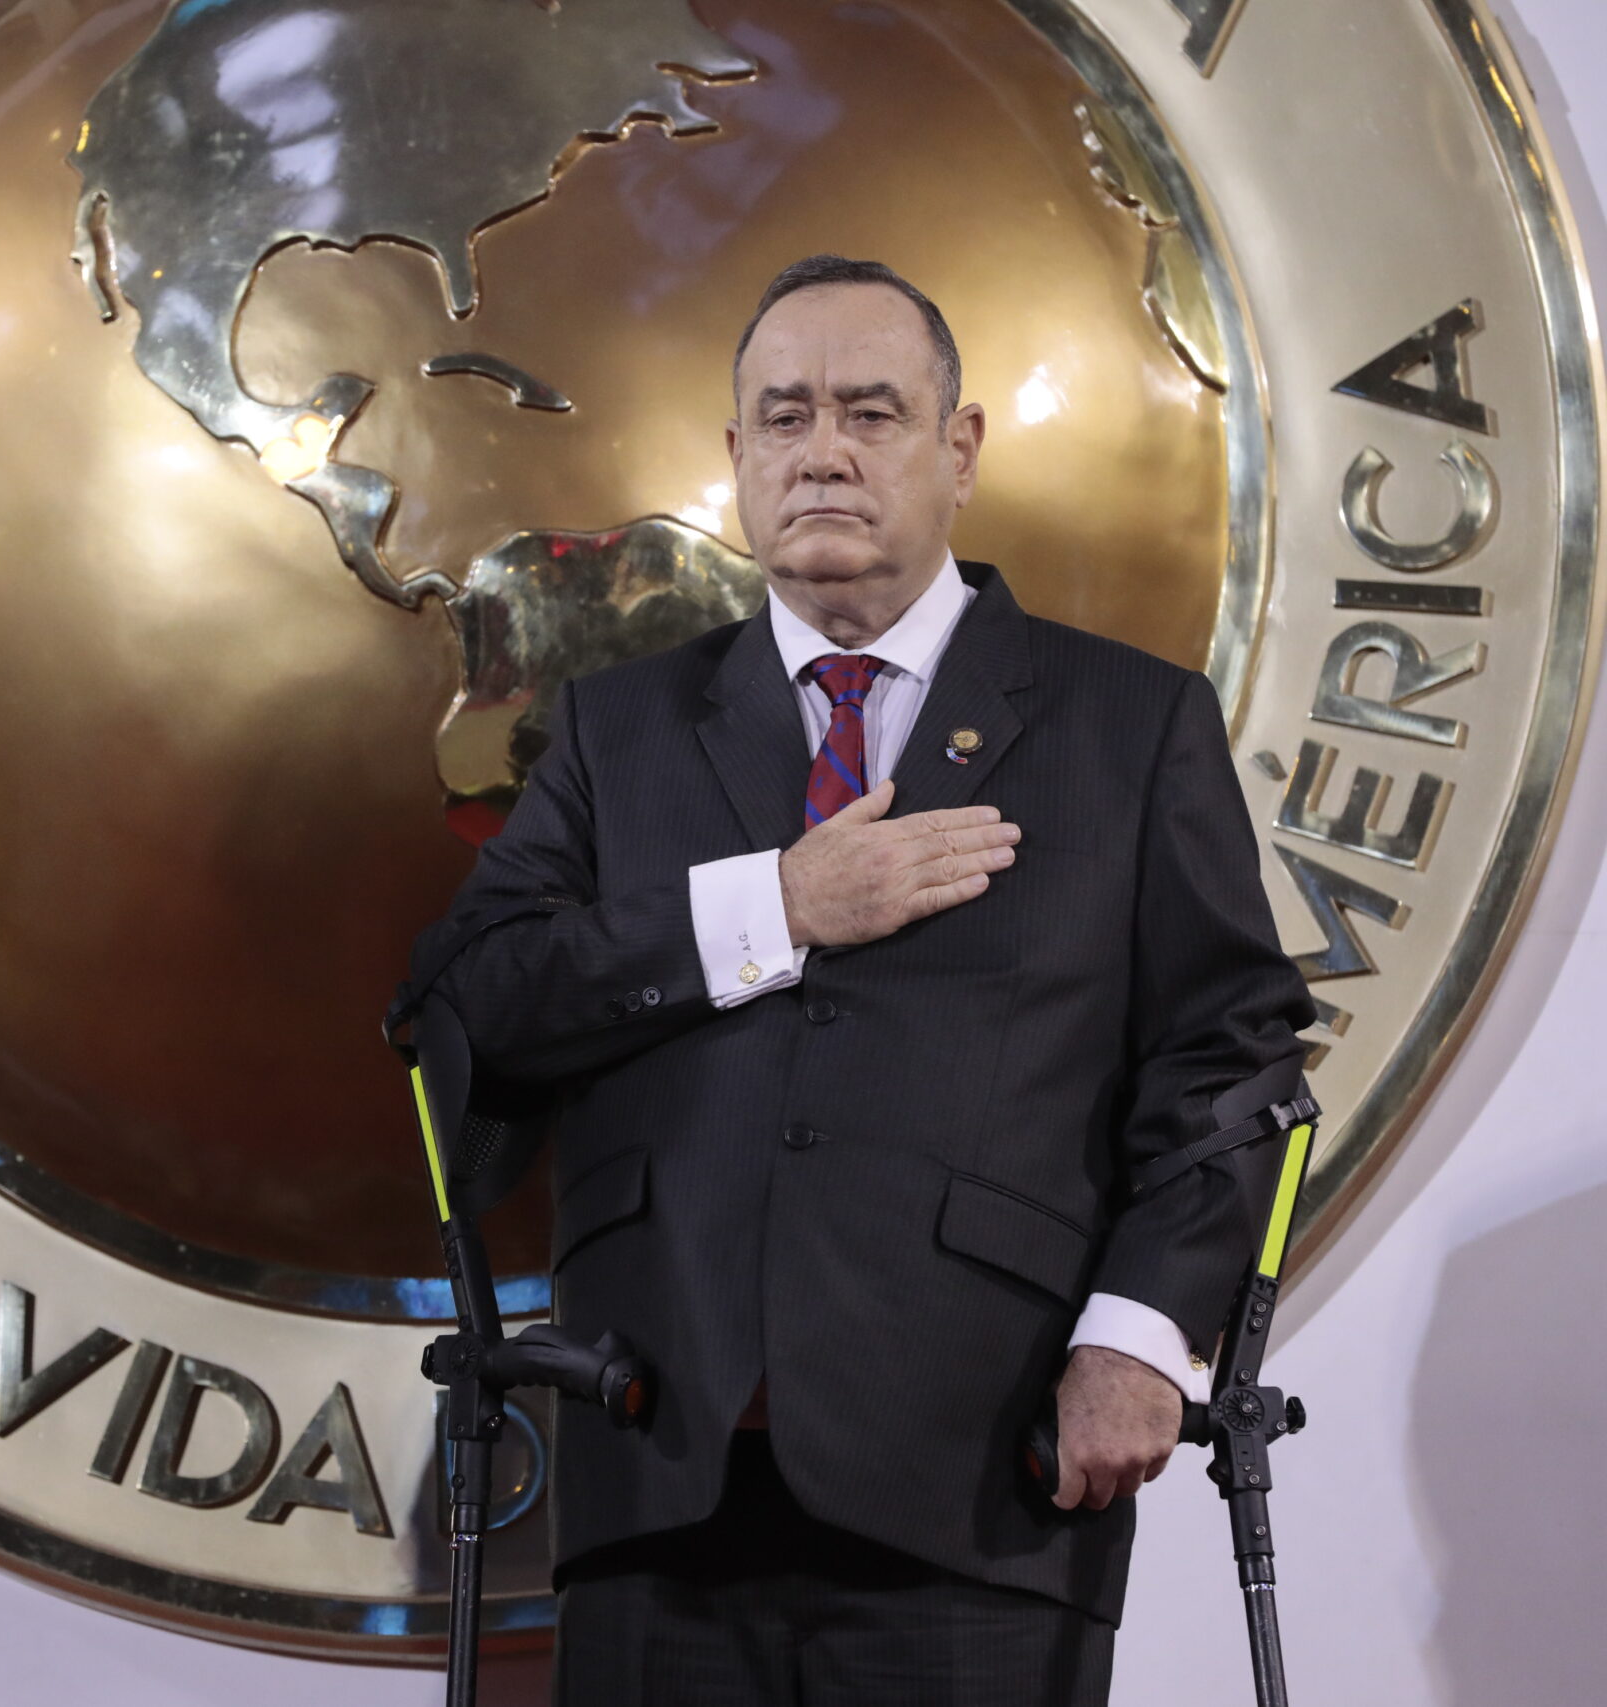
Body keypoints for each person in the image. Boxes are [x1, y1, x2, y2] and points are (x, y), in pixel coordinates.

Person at [407, 255, 1313, 1704]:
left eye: (871, 413)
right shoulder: (613, 729)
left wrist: (1141, 1342)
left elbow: (1231, 1064)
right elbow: (466, 1007)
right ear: (736, 456)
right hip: (662, 1471)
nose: (821, 452)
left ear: (960, 450)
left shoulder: (1130, 723)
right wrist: (774, 906)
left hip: (986, 1482)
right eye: (784, 417)